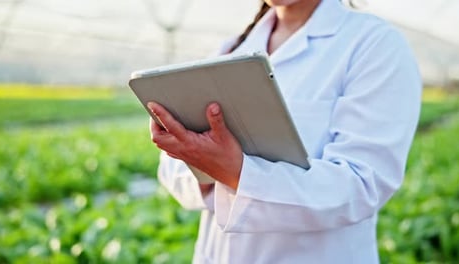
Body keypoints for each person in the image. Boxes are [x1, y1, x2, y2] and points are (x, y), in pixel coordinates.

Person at [147, 0, 421, 263]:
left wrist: (236, 171)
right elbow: (174, 172)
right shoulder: (231, 48)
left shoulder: (375, 45)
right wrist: (193, 156)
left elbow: (362, 184)